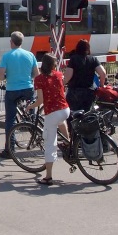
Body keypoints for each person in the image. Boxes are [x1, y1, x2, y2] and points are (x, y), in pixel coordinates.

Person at [0, 31, 40, 159]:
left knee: (10, 120)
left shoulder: (7, 56)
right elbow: (36, 74)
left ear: (11, 42)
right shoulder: (30, 55)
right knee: (31, 116)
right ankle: (35, 137)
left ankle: (10, 149)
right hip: (28, 88)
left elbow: (0, 76)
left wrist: (6, 76)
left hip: (12, 90)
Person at [31, 53, 69, 186]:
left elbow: (40, 100)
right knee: (61, 122)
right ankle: (69, 143)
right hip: (65, 109)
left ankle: (48, 177)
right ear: (53, 65)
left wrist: (30, 106)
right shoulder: (59, 74)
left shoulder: (39, 79)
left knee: (49, 144)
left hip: (52, 112)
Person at [63, 39, 108, 112]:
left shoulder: (73, 59)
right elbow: (103, 73)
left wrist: (62, 84)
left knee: (73, 114)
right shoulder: (93, 59)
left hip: (74, 92)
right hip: (89, 92)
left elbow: (68, 76)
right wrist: (101, 85)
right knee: (87, 114)